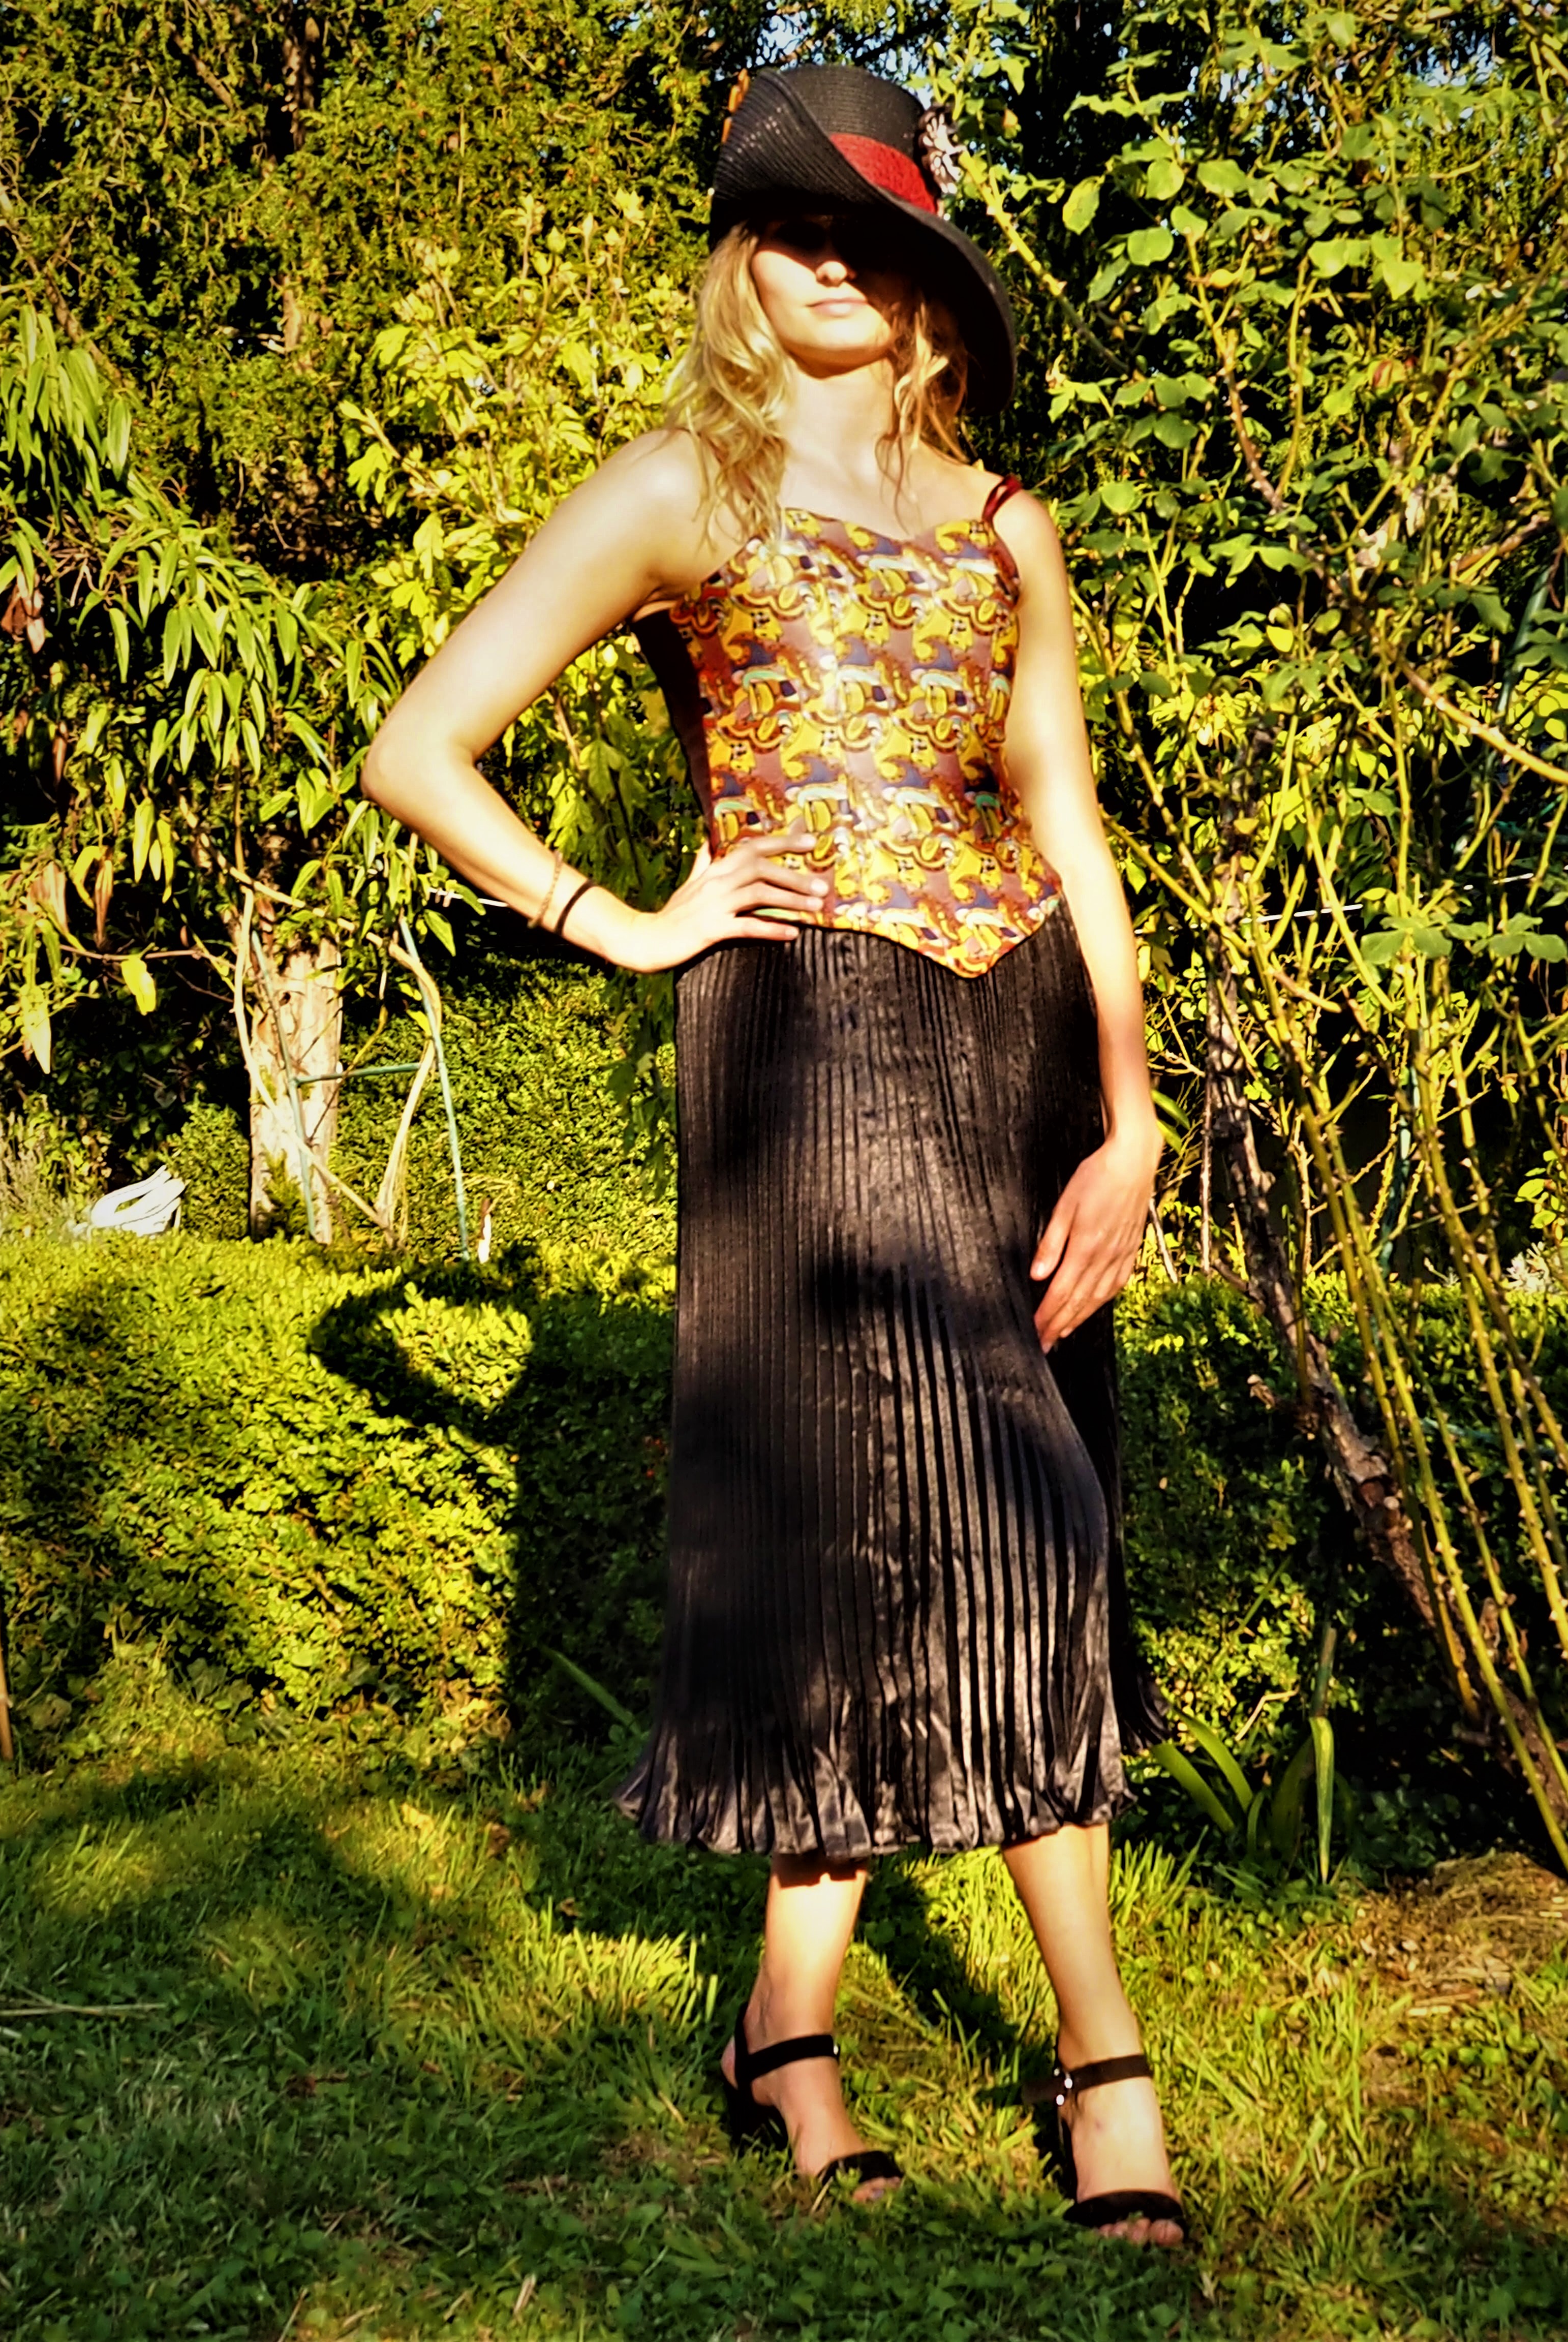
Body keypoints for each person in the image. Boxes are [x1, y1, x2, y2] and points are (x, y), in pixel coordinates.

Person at [362, 64, 1183, 2247]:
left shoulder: (1006, 521)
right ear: (745, 257)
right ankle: (1108, 2065)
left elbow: (1066, 816)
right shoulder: (679, 493)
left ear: (929, 283)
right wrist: (618, 920)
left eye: (875, 231)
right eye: (795, 221)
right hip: (806, 1039)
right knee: (1015, 1515)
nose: (833, 256)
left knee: (907, 1522)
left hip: (1020, 1037)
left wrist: (1132, 1109)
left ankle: (784, 2025)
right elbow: (418, 748)